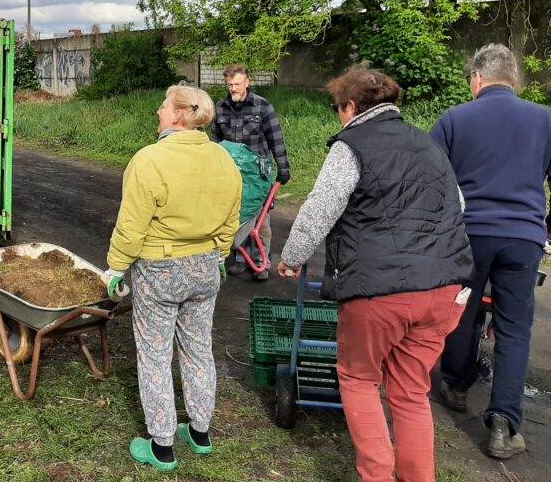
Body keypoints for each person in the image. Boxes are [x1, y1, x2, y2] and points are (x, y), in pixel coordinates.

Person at [277, 67, 473, 482]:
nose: (338, 116)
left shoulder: (352, 145)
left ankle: (377, 476)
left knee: (360, 379)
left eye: (337, 108)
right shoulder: (428, 143)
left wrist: (292, 257)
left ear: (350, 106)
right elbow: (457, 204)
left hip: (378, 291)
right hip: (444, 288)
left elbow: (319, 210)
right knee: (411, 392)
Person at [104, 84, 242, 471]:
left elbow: (131, 224)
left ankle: (161, 445)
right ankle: (200, 432)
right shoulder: (224, 159)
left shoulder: (150, 160)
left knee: (154, 355)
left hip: (160, 270)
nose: (159, 112)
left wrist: (115, 267)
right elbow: (231, 219)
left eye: (164, 107)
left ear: (179, 115)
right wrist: (220, 256)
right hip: (205, 266)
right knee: (198, 349)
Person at [431, 44, 551, 459]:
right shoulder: (544, 119)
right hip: (523, 238)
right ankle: (503, 423)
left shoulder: (454, 119)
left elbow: (431, 181)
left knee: (460, 311)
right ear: (514, 80)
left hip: (469, 235)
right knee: (515, 328)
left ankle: (457, 385)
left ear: (477, 79)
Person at [210, 64, 290, 280]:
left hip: (258, 177)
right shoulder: (220, 108)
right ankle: (240, 259)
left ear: (247, 82)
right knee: (236, 217)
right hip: (232, 175)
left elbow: (276, 139)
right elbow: (214, 142)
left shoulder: (263, 107)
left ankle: (261, 263)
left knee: (261, 221)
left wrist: (283, 168)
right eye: (230, 85)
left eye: (237, 84)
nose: (233, 89)